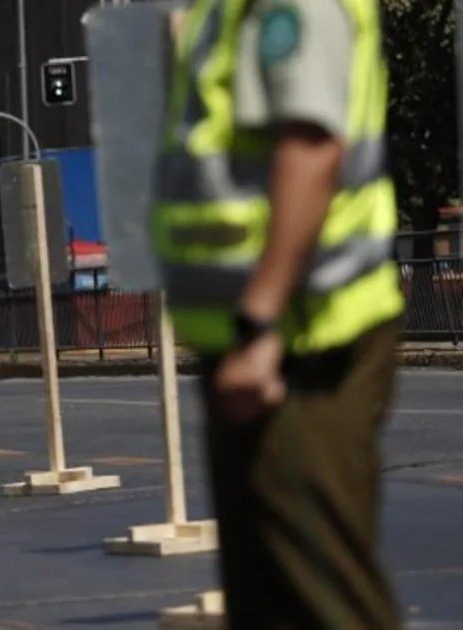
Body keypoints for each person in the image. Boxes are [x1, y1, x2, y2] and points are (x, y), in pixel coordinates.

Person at [151, 1, 403, 627]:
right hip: (265, 340)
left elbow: (313, 144)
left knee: (324, 600)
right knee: (271, 604)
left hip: (304, 341)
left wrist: (259, 327)